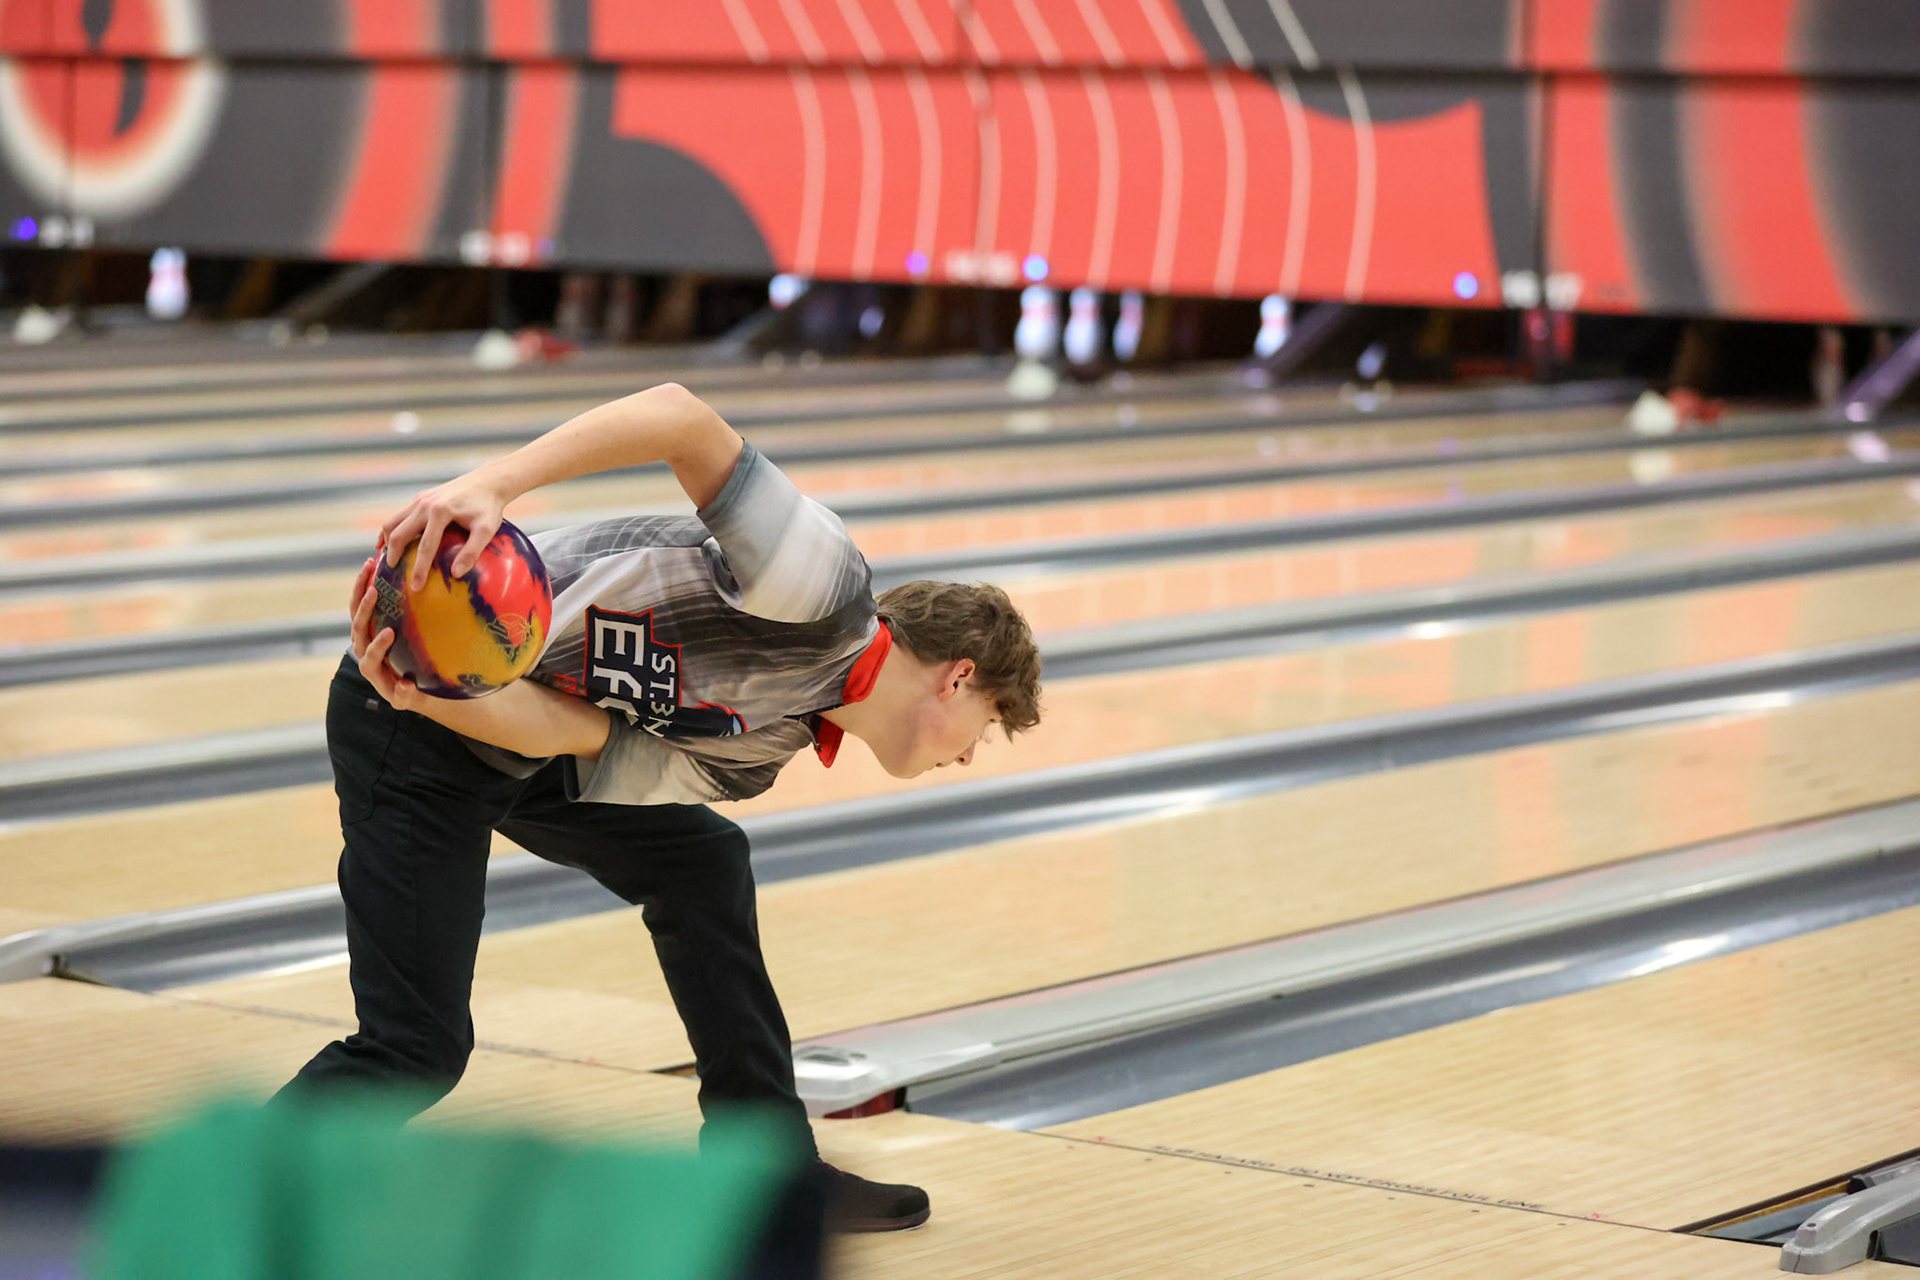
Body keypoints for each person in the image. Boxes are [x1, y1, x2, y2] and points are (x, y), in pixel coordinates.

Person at [274, 382, 1044, 1233]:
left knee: (705, 862)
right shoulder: (821, 588)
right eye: (985, 731)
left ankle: (764, 1175)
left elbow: (565, 734)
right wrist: (498, 484)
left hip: (477, 722)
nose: (968, 754)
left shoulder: (757, 757)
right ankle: (202, 1193)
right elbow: (680, 415)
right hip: (404, 726)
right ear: (961, 675)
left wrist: (445, 701)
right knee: (415, 1047)